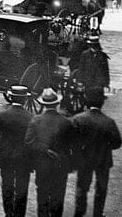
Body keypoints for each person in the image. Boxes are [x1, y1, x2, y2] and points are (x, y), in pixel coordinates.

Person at [71, 88, 122, 217]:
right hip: (103, 159)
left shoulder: (78, 119)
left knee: (82, 186)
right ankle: (98, 213)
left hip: (84, 159)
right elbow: (117, 142)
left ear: (87, 103)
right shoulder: (109, 122)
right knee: (101, 187)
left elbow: (72, 140)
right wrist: (106, 147)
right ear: (102, 104)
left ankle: (79, 212)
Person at [25, 88, 75, 217]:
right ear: (57, 103)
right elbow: (73, 145)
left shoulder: (36, 120)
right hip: (60, 164)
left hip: (42, 164)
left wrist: (45, 150)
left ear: (43, 104)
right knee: (58, 195)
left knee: (42, 194)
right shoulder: (66, 122)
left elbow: (29, 142)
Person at [0, 85, 33, 217]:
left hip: (6, 157)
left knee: (7, 186)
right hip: (24, 158)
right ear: (25, 100)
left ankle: (8, 213)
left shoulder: (2, 116)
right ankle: (19, 214)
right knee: (22, 188)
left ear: (10, 97)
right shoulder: (31, 117)